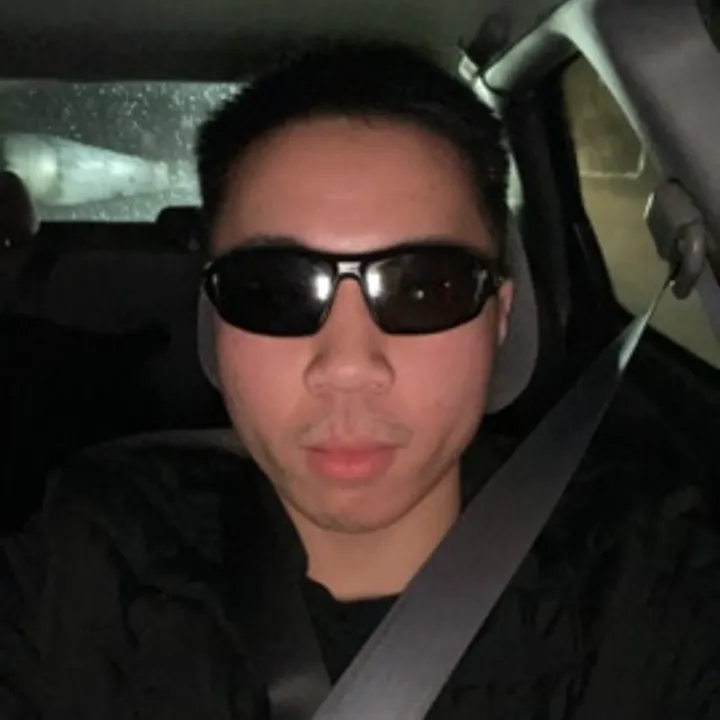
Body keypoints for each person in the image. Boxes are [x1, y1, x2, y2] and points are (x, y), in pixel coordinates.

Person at [1, 41, 718, 719]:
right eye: (274, 290)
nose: (348, 366)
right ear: (213, 320)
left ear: (500, 317)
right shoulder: (87, 568)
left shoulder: (641, 580)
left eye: (425, 287)